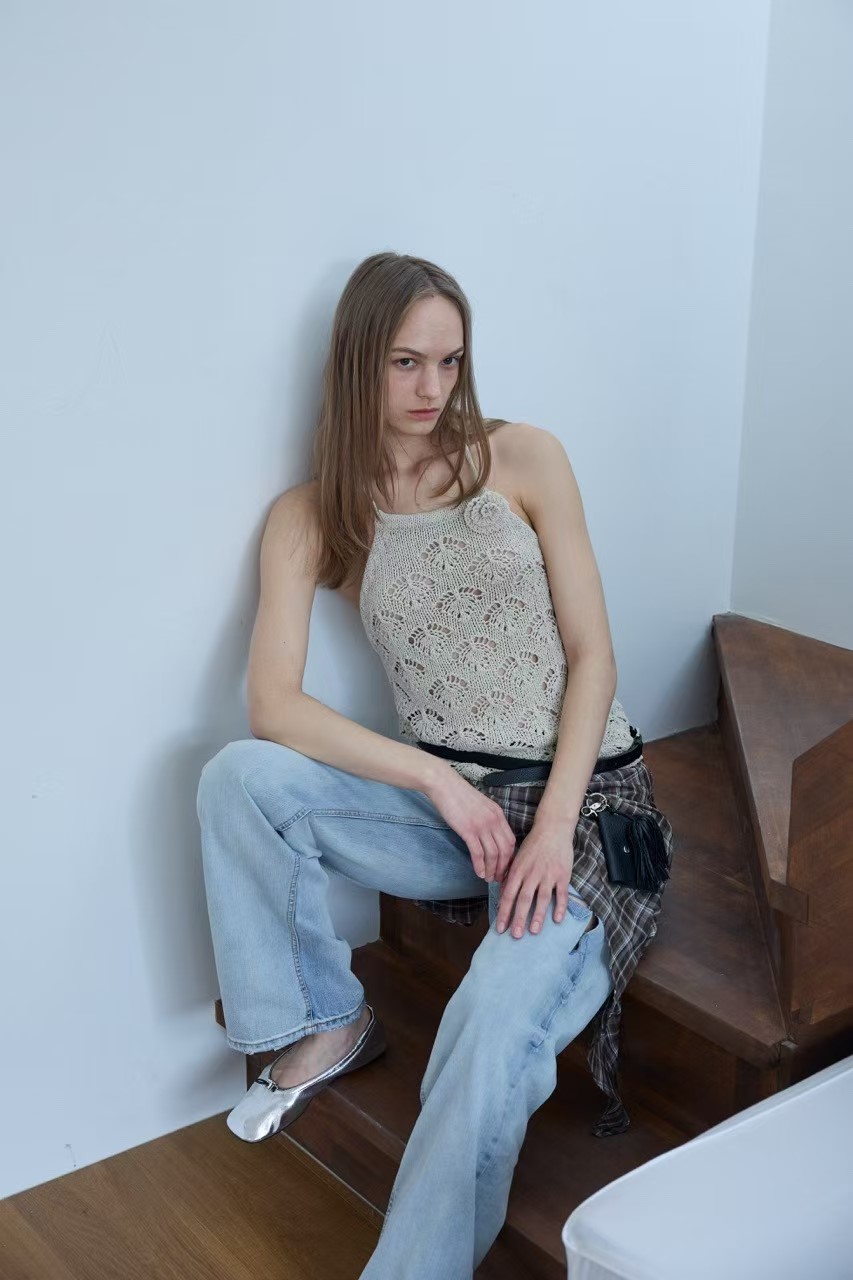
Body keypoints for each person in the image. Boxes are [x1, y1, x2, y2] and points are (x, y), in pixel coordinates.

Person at [196, 251, 675, 1279]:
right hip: (460, 810)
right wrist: (436, 781)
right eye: (405, 362)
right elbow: (273, 703)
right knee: (236, 775)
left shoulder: (525, 457)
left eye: (449, 361)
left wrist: (554, 825)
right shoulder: (312, 514)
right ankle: (324, 1023)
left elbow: (594, 656)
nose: (431, 389)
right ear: (356, 361)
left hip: (587, 807)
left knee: (489, 1019)